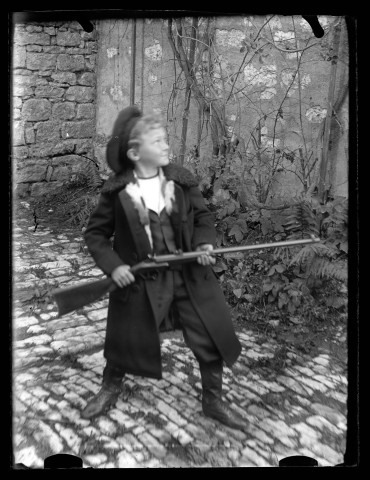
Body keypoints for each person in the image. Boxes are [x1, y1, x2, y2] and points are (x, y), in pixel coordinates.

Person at [81, 105, 247, 430]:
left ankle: (213, 400)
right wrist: (115, 267)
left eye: (165, 139)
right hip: (142, 280)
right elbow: (96, 235)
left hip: (189, 276)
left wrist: (203, 245)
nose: (166, 146)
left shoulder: (182, 181)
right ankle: (110, 387)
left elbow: (203, 218)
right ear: (134, 152)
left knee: (209, 333)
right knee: (125, 336)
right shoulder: (117, 192)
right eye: (157, 141)